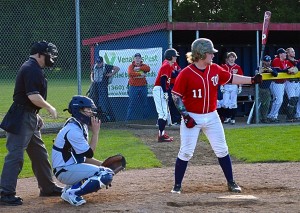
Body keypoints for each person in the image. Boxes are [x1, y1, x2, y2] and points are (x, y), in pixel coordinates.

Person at [170, 38, 262, 194]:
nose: (213, 56)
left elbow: (231, 79)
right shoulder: (185, 73)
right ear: (200, 54)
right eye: (210, 53)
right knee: (186, 152)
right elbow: (176, 96)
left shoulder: (215, 69)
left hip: (212, 116)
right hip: (192, 115)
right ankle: (177, 185)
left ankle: (231, 182)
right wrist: (185, 116)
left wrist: (252, 80)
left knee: (222, 150)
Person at [0, 41, 63, 206]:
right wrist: (49, 107)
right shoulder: (31, 68)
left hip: (29, 116)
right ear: (40, 54)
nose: (51, 57)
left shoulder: (34, 67)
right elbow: (32, 96)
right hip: (21, 118)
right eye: (49, 54)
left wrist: (36, 115)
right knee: (15, 155)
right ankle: (5, 193)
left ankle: (47, 187)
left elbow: (31, 100)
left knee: (39, 154)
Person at [52, 95, 114, 206]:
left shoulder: (79, 125)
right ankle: (73, 193)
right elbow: (89, 154)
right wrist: (95, 133)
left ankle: (69, 190)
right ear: (78, 110)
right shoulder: (73, 130)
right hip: (65, 171)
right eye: (88, 109)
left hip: (67, 168)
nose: (91, 112)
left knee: (104, 170)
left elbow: (83, 159)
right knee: (105, 174)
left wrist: (103, 164)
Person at [153, 48, 179, 142]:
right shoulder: (166, 65)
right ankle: (161, 136)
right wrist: (165, 92)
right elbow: (163, 80)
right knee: (163, 113)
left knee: (165, 113)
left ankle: (162, 134)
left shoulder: (169, 65)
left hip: (162, 89)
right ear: (171, 57)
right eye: (174, 56)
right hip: (160, 89)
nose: (176, 58)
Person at [89, 56, 120, 122]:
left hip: (103, 85)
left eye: (100, 63)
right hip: (95, 85)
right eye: (97, 62)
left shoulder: (106, 66)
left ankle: (111, 118)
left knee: (106, 102)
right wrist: (92, 79)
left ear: (102, 62)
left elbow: (117, 68)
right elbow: (92, 73)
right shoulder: (94, 66)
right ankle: (95, 117)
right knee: (94, 101)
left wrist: (111, 74)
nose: (98, 64)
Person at [220, 52, 244, 125]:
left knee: (233, 103)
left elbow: (240, 78)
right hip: (226, 85)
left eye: (233, 57)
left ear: (235, 58)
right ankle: (227, 117)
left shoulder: (238, 67)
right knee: (225, 103)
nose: (231, 59)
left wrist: (240, 86)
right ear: (227, 59)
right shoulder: (224, 67)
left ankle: (233, 118)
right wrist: (221, 85)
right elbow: (221, 77)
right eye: (230, 57)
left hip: (234, 85)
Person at [126, 53, 150, 121]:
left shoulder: (143, 65)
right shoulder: (131, 66)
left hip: (143, 87)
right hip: (133, 87)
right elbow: (130, 73)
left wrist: (139, 68)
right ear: (134, 59)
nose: (137, 59)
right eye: (136, 58)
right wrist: (140, 74)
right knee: (132, 104)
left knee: (144, 104)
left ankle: (145, 119)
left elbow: (148, 69)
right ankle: (128, 120)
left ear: (141, 59)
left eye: (139, 58)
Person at [267, 48, 289, 123]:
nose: (285, 54)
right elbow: (278, 70)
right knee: (279, 100)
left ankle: (272, 116)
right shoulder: (276, 60)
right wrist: (286, 70)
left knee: (277, 100)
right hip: (276, 83)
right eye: (284, 53)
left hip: (282, 83)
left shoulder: (284, 61)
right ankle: (272, 115)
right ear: (280, 54)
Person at [256, 55, 278, 123]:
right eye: (266, 61)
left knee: (266, 104)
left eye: (268, 61)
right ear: (263, 61)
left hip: (266, 89)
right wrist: (261, 71)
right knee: (257, 104)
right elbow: (256, 74)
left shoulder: (271, 68)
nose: (267, 63)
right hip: (258, 89)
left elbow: (276, 74)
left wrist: (270, 70)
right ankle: (256, 118)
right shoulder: (259, 68)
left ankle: (264, 118)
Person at [164, 59, 182, 125]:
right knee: (168, 103)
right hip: (168, 85)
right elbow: (173, 74)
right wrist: (175, 72)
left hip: (174, 85)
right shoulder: (166, 63)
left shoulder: (175, 63)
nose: (176, 58)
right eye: (174, 56)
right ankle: (165, 121)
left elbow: (180, 72)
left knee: (175, 102)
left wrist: (176, 72)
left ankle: (175, 121)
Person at [285, 47, 300, 122]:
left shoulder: (297, 61)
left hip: (297, 82)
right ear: (287, 53)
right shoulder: (286, 61)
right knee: (292, 100)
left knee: (297, 99)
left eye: (294, 51)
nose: (294, 52)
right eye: (292, 51)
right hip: (290, 82)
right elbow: (289, 71)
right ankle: (289, 117)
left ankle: (297, 115)